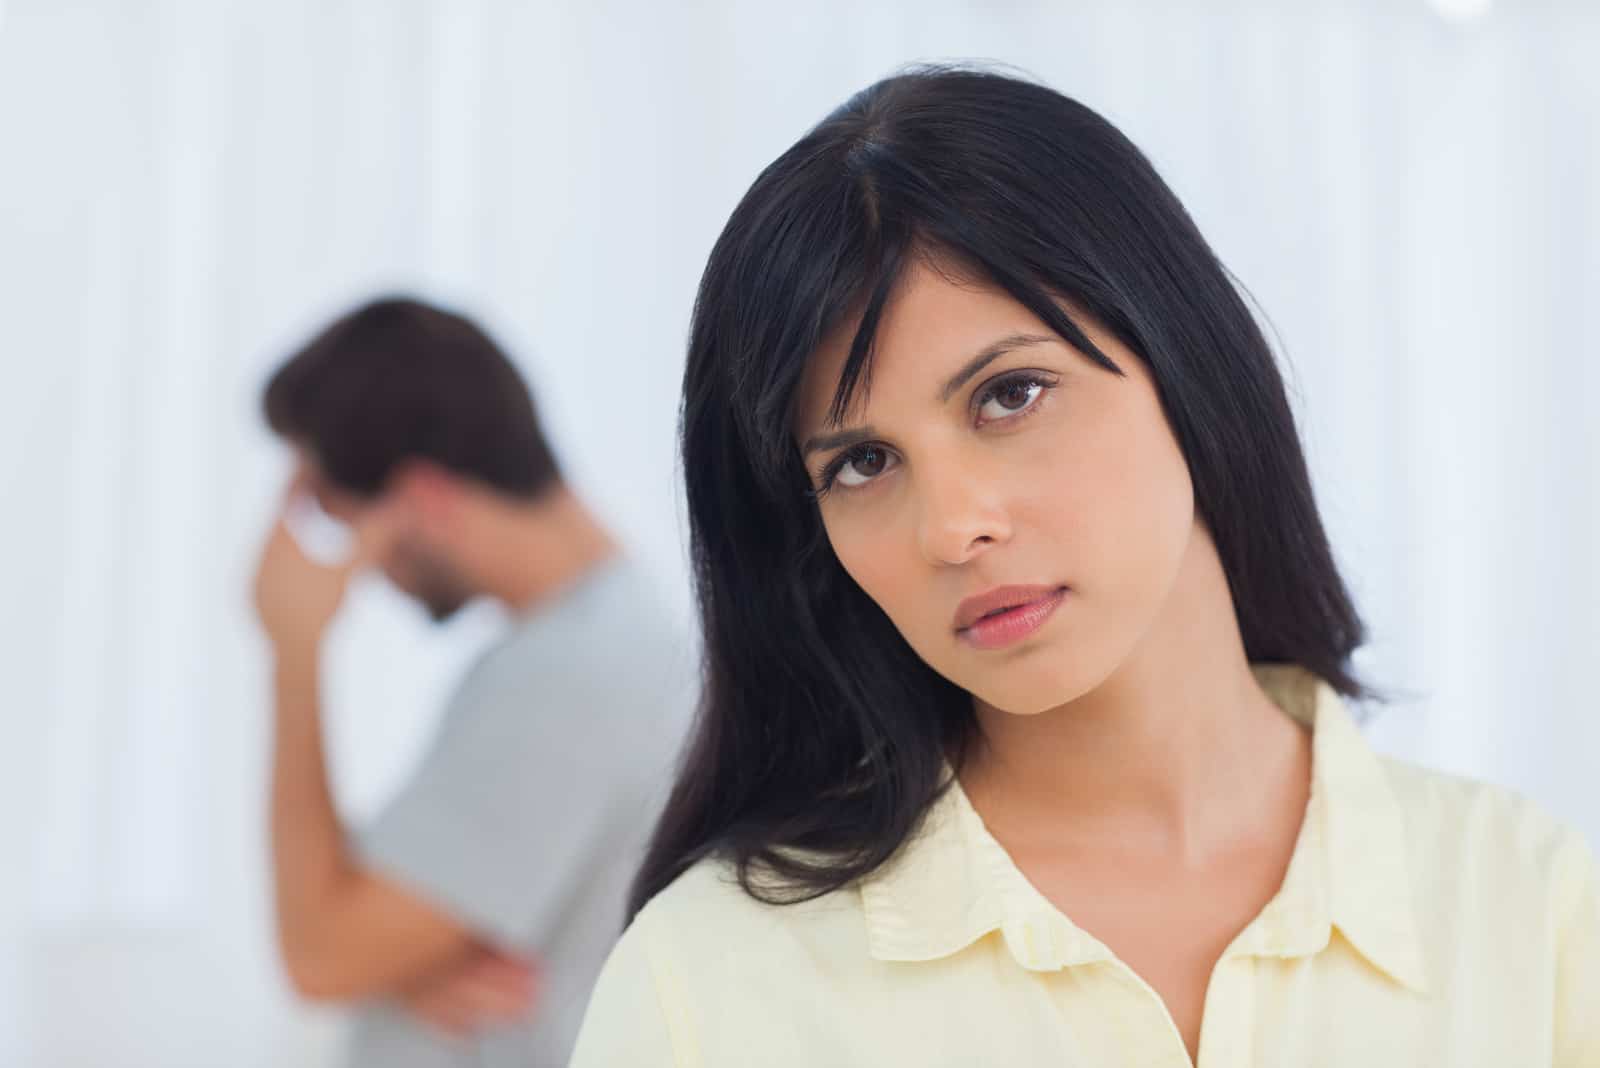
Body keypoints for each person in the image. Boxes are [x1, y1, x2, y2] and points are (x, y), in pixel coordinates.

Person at [568, 67, 1599, 1067]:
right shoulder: (710, 985)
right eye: (863, 463)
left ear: (1187, 362)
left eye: (1009, 395)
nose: (952, 527)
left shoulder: (1530, 912)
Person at [251, 297, 690, 1067]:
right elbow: (356, 910)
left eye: (337, 517)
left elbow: (319, 954)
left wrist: (295, 649)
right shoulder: (589, 645)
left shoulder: (571, 677)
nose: (358, 566)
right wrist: (401, 960)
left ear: (420, 498)